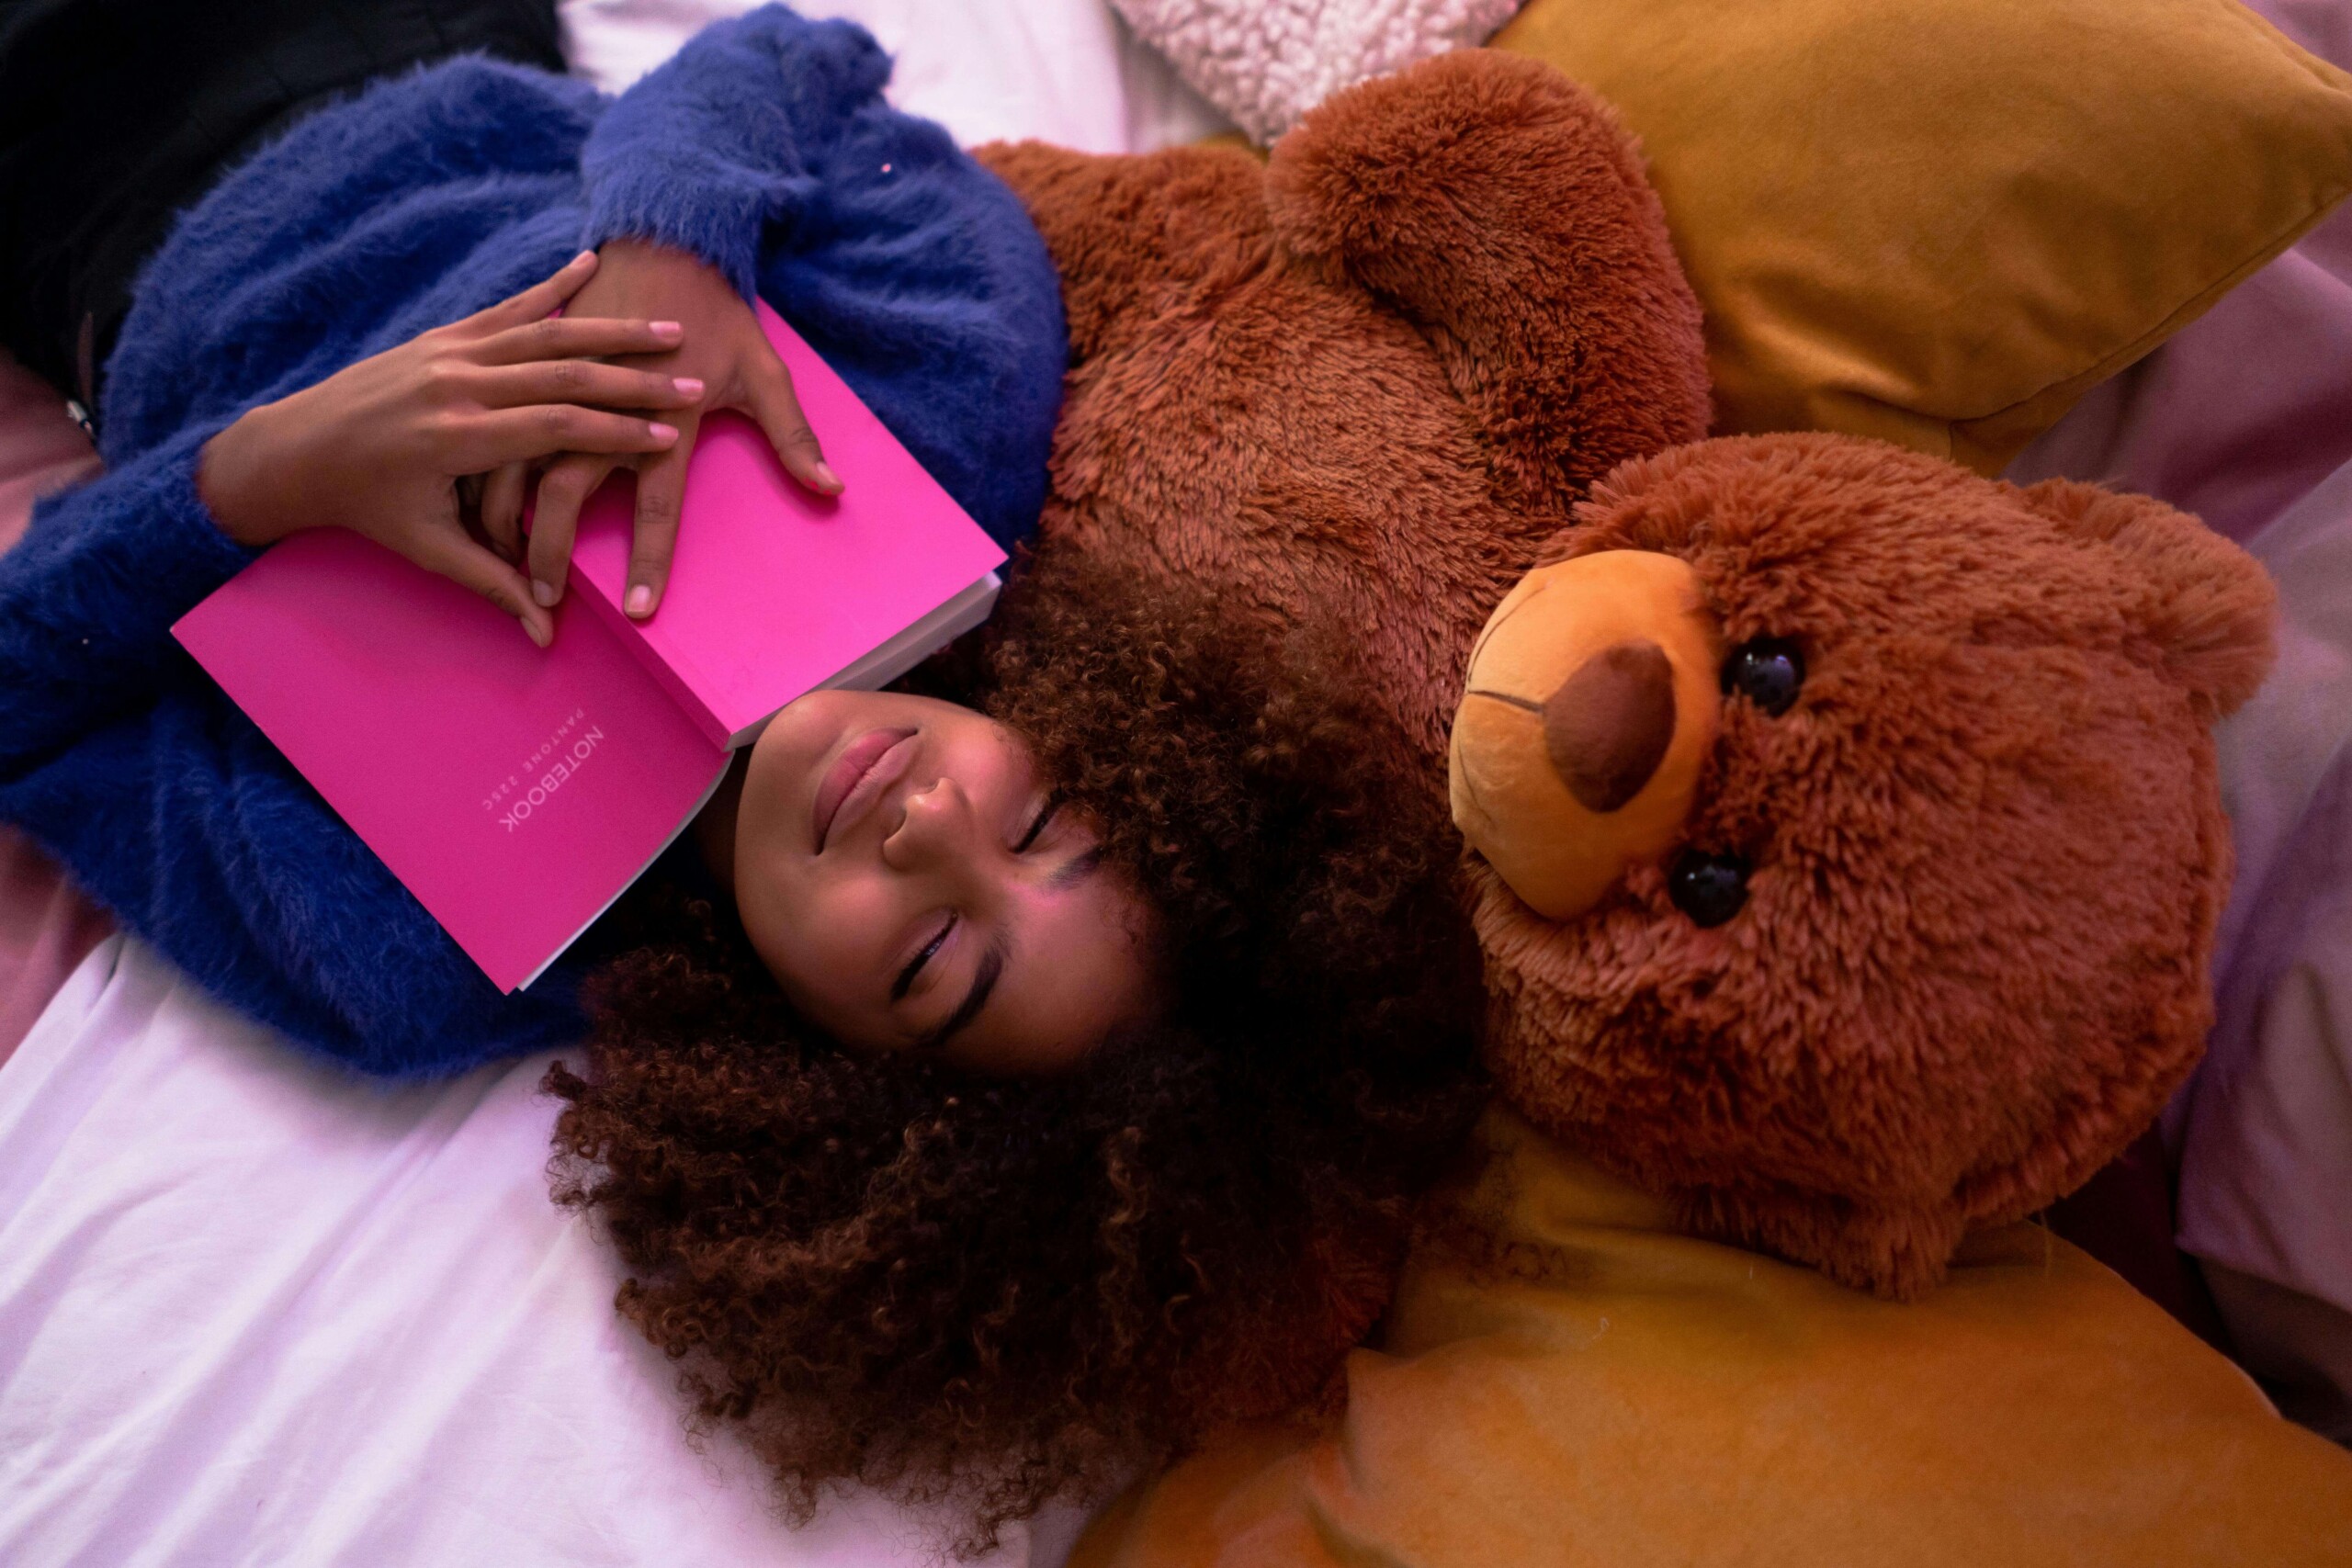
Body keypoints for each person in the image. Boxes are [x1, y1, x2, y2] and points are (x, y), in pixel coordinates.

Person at [0, 1, 1491, 1541]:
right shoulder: (941, 424)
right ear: (1097, 749)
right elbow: (795, 58)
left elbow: (28, 697)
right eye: (1041, 819)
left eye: (930, 960)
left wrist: (256, 477)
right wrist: (677, 243)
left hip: (81, 198)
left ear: (845, 1081)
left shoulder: (420, 943)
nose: (925, 823)